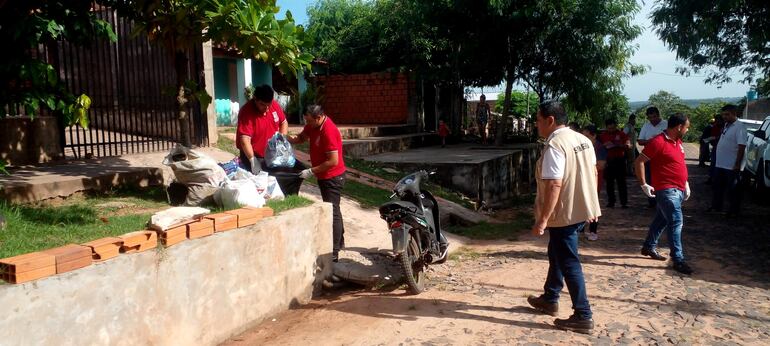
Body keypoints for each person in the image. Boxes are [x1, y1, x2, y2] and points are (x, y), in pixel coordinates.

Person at [527, 100, 600, 334]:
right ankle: (550, 297)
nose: (536, 125)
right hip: (580, 209)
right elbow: (594, 173)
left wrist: (542, 220)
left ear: (550, 120)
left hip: (564, 212)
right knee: (557, 253)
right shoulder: (583, 140)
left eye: (538, 120)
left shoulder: (555, 145)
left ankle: (583, 314)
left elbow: (554, 185)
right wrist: (591, 205)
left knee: (569, 261)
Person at [633, 113, 693, 275]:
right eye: (686, 127)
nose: (687, 130)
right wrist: (643, 183)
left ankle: (649, 246)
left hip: (678, 189)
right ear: (679, 127)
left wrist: (685, 182)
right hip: (667, 190)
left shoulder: (677, 142)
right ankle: (678, 259)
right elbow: (639, 161)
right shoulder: (658, 142)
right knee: (676, 222)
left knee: (661, 219)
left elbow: (678, 163)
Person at [288, 105, 347, 262]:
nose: (307, 124)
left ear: (319, 117)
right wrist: (285, 137)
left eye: (309, 120)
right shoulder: (312, 125)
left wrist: (311, 171)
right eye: (305, 120)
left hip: (333, 177)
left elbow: (333, 161)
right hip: (323, 176)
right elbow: (301, 138)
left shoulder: (329, 131)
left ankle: (334, 252)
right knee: (334, 208)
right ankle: (340, 243)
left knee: (332, 211)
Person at [236, 84, 288, 174]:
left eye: (269, 105)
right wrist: (252, 160)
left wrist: (281, 140)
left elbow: (283, 122)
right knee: (258, 185)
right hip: (254, 156)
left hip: (272, 154)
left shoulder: (274, 105)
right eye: (263, 105)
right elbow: (245, 140)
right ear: (255, 99)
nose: (267, 108)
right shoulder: (246, 112)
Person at [710, 104, 747, 216]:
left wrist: (737, 163)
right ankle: (717, 207)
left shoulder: (740, 127)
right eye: (723, 114)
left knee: (733, 189)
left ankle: (733, 211)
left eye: (727, 114)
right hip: (720, 163)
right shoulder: (726, 125)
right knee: (718, 187)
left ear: (734, 114)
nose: (725, 117)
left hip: (732, 165)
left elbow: (741, 146)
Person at [638, 107, 667, 207]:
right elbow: (640, 141)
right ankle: (652, 201)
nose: (653, 119)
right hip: (649, 157)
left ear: (658, 115)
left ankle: (664, 200)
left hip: (663, 156)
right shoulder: (646, 126)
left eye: (654, 117)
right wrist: (650, 142)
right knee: (650, 178)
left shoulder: (666, 124)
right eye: (650, 118)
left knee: (664, 178)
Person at [581, 125, 607, 241]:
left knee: (593, 205)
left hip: (594, 181)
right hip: (583, 180)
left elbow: (601, 165)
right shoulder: (583, 147)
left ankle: (593, 230)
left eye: (587, 136)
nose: (584, 138)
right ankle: (580, 229)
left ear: (594, 135)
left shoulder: (599, 147)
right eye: (583, 135)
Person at [598, 118, 630, 208]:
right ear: (606, 127)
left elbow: (628, 144)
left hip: (620, 160)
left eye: (613, 128)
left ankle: (624, 203)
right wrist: (605, 145)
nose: (611, 130)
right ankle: (611, 201)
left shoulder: (621, 134)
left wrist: (620, 145)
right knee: (609, 182)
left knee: (621, 182)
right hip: (608, 161)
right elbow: (599, 147)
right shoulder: (602, 135)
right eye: (609, 128)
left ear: (616, 126)